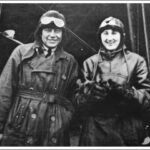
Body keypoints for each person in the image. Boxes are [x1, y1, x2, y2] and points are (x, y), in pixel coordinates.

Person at [0, 10, 78, 146]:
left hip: (54, 126)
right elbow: (4, 91)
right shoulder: (21, 52)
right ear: (40, 32)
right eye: (48, 30)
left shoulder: (70, 61)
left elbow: (72, 98)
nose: (52, 35)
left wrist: (64, 118)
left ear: (63, 34)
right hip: (21, 122)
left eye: (57, 31)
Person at [76, 16, 150, 146]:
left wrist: (129, 93)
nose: (110, 38)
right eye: (105, 33)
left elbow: (147, 97)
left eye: (114, 33)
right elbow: (77, 102)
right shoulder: (89, 63)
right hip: (94, 130)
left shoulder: (137, 61)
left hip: (128, 128)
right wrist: (89, 94)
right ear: (100, 37)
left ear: (122, 35)